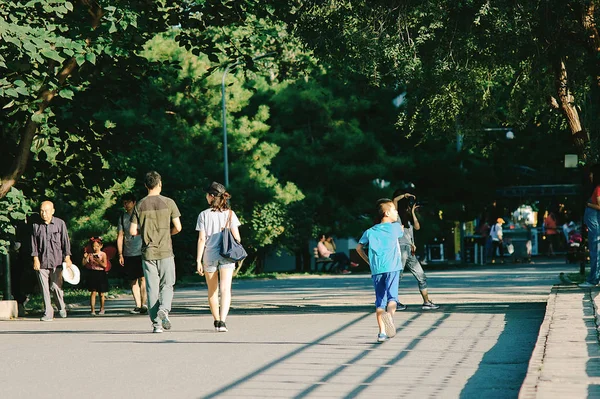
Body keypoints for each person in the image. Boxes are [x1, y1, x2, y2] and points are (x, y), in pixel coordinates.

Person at [130, 171, 182, 333]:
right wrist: (168, 233)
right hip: (165, 250)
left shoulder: (139, 205)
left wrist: (143, 232)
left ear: (146, 185)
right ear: (160, 184)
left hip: (148, 253)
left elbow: (132, 231)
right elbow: (178, 227)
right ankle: (164, 309)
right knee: (167, 284)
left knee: (152, 288)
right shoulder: (169, 202)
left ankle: (156, 325)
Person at [356, 198, 404, 343]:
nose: (397, 212)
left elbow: (359, 248)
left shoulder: (370, 231)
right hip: (392, 267)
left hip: (377, 269)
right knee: (392, 299)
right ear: (387, 213)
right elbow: (401, 231)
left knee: (380, 301)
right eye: (395, 210)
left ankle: (382, 333)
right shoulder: (395, 227)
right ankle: (389, 316)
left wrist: (368, 261)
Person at [196, 182, 241, 333]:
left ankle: (216, 320)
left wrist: (198, 260)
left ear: (211, 196)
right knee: (225, 289)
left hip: (209, 255)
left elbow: (201, 239)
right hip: (227, 255)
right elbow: (237, 238)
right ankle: (223, 321)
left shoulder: (203, 215)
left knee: (212, 290)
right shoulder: (230, 214)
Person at [393, 191, 439, 310]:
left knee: (421, 276)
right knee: (398, 277)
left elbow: (417, 227)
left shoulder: (408, 219)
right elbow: (394, 201)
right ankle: (394, 302)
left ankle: (426, 302)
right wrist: (405, 196)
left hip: (409, 249)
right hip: (401, 248)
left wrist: (413, 212)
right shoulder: (396, 217)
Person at [30, 201, 73, 321]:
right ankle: (48, 312)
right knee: (44, 288)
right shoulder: (36, 225)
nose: (44, 213)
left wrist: (67, 257)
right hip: (42, 261)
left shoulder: (60, 224)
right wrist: (35, 259)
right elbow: (34, 244)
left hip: (57, 261)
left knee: (55, 287)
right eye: (41, 211)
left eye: (46, 211)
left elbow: (65, 241)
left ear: (52, 211)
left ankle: (61, 306)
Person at [117, 193, 147, 314]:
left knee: (143, 278)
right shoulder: (122, 217)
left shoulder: (141, 215)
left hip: (142, 250)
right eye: (124, 203)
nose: (126, 205)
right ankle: (138, 305)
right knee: (132, 280)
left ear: (134, 202)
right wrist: (120, 253)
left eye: (128, 202)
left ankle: (144, 304)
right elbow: (120, 236)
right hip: (128, 252)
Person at [579, 164, 600, 288]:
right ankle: (594, 277)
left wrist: (588, 204)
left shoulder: (598, 189)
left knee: (595, 251)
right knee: (595, 251)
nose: (590, 176)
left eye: (592, 174)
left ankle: (593, 279)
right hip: (594, 225)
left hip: (595, 226)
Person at [82, 237, 109, 315]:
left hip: (101, 273)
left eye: (97, 246)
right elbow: (84, 264)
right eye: (94, 246)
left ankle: (102, 308)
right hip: (92, 273)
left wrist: (98, 261)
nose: (95, 248)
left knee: (101, 293)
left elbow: (105, 265)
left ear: (101, 246)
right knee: (93, 292)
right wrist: (85, 257)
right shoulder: (90, 254)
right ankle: (92, 310)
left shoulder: (103, 254)